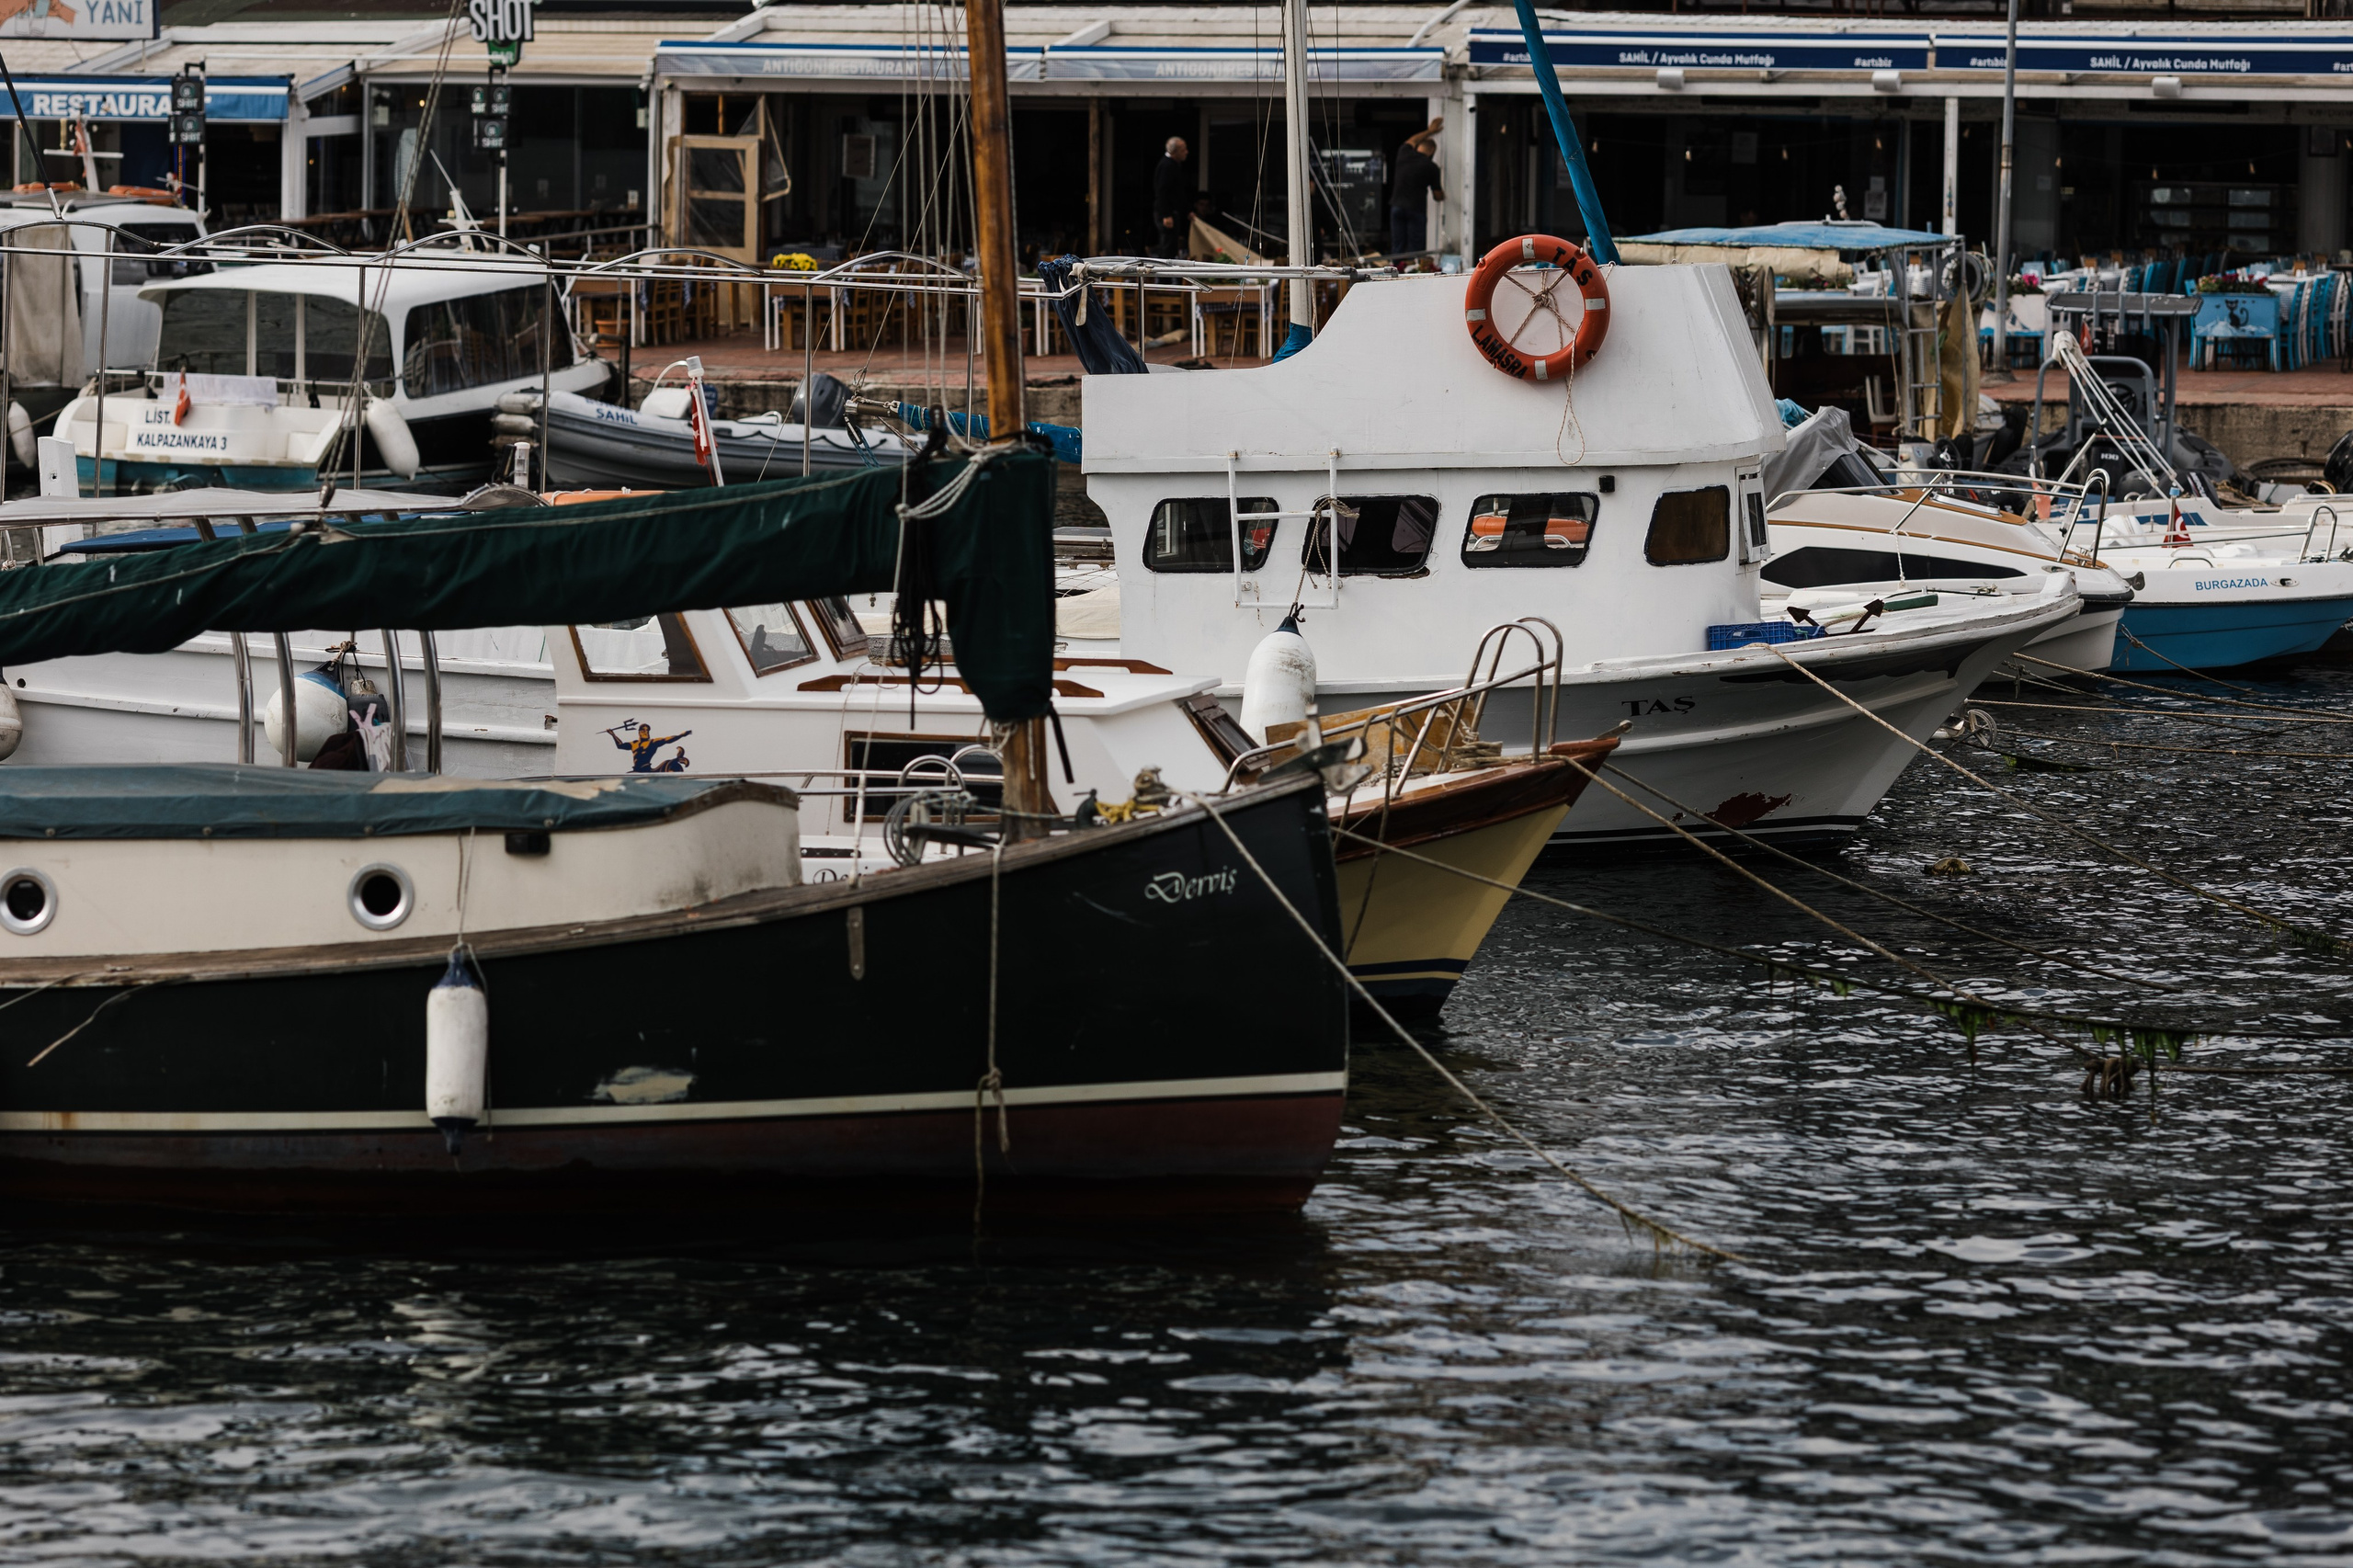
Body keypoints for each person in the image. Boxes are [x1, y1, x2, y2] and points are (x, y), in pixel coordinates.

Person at [1389, 132, 1445, 257]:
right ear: (1431, 150)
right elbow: (1437, 196)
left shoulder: (1404, 153)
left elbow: (1412, 139)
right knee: (1415, 247)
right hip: (1416, 209)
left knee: (1397, 244)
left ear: (1418, 147)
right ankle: (1413, 266)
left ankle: (1396, 267)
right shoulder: (1431, 167)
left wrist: (1430, 130)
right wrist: (1444, 195)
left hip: (1397, 206)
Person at [1153, 136, 1190, 259]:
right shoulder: (1167, 166)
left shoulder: (1174, 165)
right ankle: (1164, 272)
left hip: (1172, 211)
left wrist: (1187, 211)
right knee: (1167, 247)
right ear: (1174, 152)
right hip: (1166, 213)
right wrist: (1166, 215)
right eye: (1183, 150)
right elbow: (1162, 191)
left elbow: (1178, 193)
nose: (1186, 152)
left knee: (1172, 247)